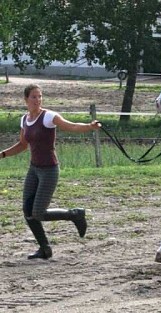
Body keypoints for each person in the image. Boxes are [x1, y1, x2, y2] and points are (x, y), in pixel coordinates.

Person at [0, 84, 101, 260]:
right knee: (27, 211)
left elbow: (71, 126)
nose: (37, 100)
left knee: (38, 212)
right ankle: (45, 249)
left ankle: (75, 214)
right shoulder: (24, 119)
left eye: (40, 96)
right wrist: (2, 154)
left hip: (49, 170)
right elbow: (23, 145)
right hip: (34, 169)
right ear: (26, 99)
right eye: (34, 97)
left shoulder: (49, 117)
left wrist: (89, 126)